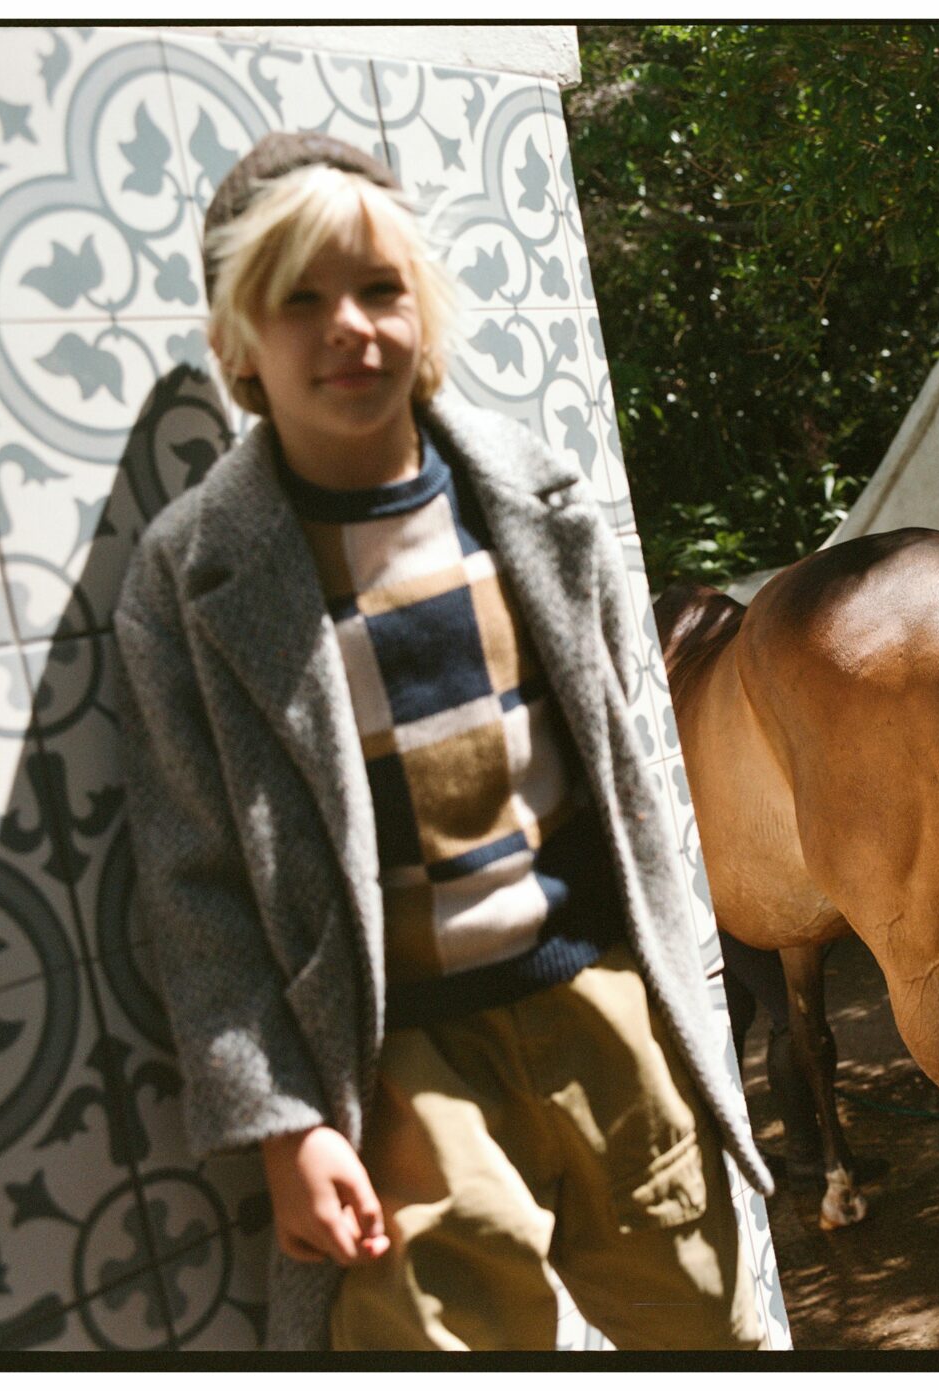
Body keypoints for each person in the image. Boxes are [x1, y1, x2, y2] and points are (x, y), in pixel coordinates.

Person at [113, 131, 773, 1352]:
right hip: (398, 1063)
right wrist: (286, 1122)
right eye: (297, 300)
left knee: (707, 1322)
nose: (347, 327)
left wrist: (678, 995)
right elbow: (195, 882)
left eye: (378, 288)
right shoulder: (190, 581)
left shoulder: (539, 510)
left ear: (426, 305)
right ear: (236, 344)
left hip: (599, 1007)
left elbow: (631, 767)